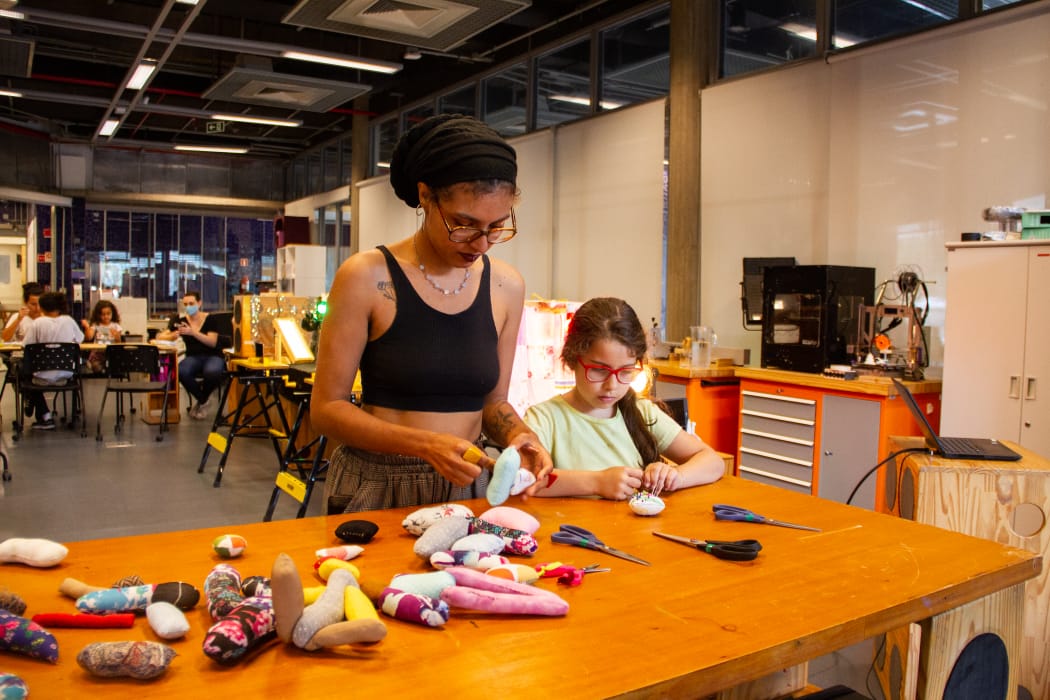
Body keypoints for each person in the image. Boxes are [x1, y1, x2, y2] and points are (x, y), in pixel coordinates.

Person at [312, 113, 553, 515]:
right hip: (378, 485)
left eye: (496, 227)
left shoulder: (506, 286)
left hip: (469, 486)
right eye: (463, 224)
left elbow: (493, 403)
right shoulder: (367, 276)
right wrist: (425, 445)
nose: (481, 243)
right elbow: (326, 410)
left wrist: (522, 435)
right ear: (426, 196)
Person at [524, 297, 724, 500]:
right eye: (599, 370)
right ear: (572, 359)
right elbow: (528, 480)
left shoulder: (641, 411)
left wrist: (675, 476)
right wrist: (597, 483)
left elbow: (713, 462)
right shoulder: (544, 418)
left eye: (626, 371)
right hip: (573, 530)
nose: (612, 385)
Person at [156, 291, 226, 420]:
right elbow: (161, 336)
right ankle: (204, 400)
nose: (188, 307)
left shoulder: (210, 319)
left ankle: (201, 400)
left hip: (213, 355)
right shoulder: (180, 320)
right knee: (181, 371)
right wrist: (173, 335)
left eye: (191, 303)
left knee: (213, 371)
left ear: (199, 303)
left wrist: (193, 332)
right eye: (186, 304)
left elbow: (212, 342)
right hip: (193, 356)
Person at [21, 291, 85, 430]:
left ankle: (43, 415)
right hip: (66, 373)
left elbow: (26, 346)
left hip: (41, 375)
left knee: (24, 376)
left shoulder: (37, 323)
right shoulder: (69, 320)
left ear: (42, 307)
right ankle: (49, 415)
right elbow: (80, 339)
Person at [81, 300, 123, 373]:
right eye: (103, 314)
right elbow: (89, 337)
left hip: (111, 355)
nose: (106, 316)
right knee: (97, 367)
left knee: (114, 364)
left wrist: (116, 336)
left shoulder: (116, 326)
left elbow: (119, 342)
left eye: (108, 314)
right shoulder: (96, 325)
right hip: (97, 354)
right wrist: (87, 327)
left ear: (112, 314)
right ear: (98, 315)